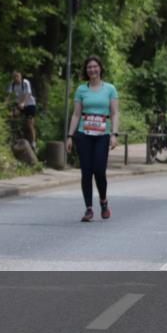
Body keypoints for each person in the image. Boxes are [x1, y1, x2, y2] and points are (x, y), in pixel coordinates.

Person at [65, 56, 120, 222]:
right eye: (89, 67)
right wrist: (70, 136)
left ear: (100, 69)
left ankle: (103, 201)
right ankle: (89, 208)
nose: (92, 70)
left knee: (99, 170)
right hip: (84, 134)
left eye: (95, 66)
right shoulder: (81, 90)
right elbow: (76, 114)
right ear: (86, 71)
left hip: (102, 135)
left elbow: (115, 113)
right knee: (86, 172)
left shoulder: (110, 89)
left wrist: (114, 134)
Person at [6, 71, 37, 150]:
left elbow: (28, 94)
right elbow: (9, 96)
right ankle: (15, 135)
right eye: (15, 77)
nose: (17, 79)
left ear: (20, 77)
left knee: (29, 124)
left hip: (30, 104)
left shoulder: (25, 82)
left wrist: (23, 103)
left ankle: (33, 142)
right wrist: (5, 103)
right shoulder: (12, 84)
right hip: (19, 104)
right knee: (12, 115)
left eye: (18, 77)